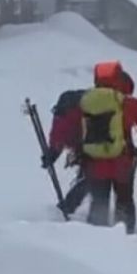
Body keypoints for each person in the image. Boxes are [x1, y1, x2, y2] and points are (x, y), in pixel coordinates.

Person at [74, 61, 137, 233]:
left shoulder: (85, 102)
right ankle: (125, 235)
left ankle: (93, 236)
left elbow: (73, 129)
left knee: (99, 202)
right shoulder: (126, 103)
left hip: (94, 162)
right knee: (124, 200)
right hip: (121, 162)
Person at [44, 89, 90, 218]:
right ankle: (70, 207)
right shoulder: (68, 114)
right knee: (91, 178)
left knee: (90, 178)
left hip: (92, 146)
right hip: (96, 146)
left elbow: (58, 137)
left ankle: (68, 207)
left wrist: (52, 154)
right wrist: (53, 153)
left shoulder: (63, 114)